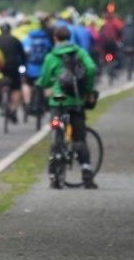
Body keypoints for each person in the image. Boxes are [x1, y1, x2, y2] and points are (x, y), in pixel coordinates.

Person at [36, 25, 99, 188]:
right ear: (69, 37)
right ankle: (86, 173)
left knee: (56, 131)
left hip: (58, 98)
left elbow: (44, 80)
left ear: (55, 38)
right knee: (79, 138)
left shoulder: (51, 56)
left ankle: (54, 174)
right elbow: (91, 68)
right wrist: (87, 89)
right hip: (76, 99)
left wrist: (46, 84)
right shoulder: (79, 52)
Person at [0, 22, 25, 123]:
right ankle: (14, 110)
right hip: (13, 67)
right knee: (16, 88)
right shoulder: (15, 40)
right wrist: (23, 65)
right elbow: (22, 55)